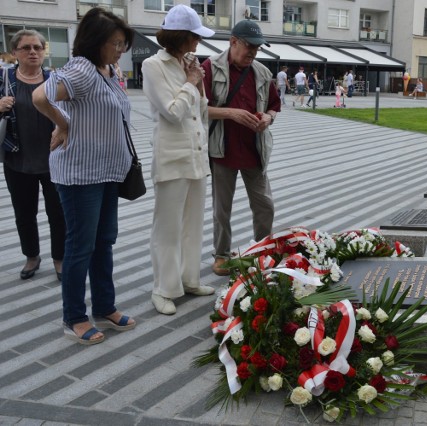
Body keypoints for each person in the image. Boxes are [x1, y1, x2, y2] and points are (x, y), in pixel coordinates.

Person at [32, 7, 136, 345]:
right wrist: (63, 124)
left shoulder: (106, 70)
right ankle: (73, 316)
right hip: (80, 174)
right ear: (96, 41)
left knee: (104, 241)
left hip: (106, 172)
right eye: (116, 43)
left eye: (123, 43)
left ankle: (105, 306)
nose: (121, 50)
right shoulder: (82, 70)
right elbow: (39, 95)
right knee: (80, 246)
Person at [142, 4, 216, 315]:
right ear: (181, 36)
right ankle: (163, 288)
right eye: (195, 36)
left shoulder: (189, 64)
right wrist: (190, 82)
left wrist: (196, 83)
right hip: (172, 158)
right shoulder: (152, 65)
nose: (198, 42)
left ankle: (189, 278)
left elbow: (200, 111)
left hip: (196, 155)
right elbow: (172, 113)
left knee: (193, 224)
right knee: (167, 227)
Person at [202, 20, 281, 276]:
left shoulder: (262, 72)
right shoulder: (210, 68)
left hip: (254, 151)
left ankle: (263, 250)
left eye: (257, 48)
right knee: (221, 209)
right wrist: (231, 114)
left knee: (264, 205)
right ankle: (222, 254)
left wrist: (268, 118)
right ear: (233, 41)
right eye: (249, 46)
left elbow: (274, 106)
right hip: (222, 150)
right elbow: (198, 109)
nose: (253, 53)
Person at [0, 30, 65, 281]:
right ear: (15, 52)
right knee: (24, 213)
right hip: (18, 160)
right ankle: (32, 256)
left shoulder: (54, 79)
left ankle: (59, 258)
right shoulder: (4, 78)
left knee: (58, 213)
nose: (33, 52)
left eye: (38, 47)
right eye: (26, 48)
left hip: (54, 159)